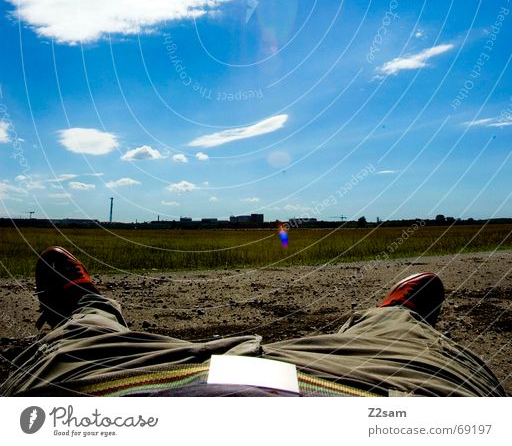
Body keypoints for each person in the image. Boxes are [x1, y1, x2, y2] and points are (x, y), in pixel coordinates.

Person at [1, 246, 505, 397]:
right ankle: (397, 322)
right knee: (413, 357)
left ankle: (86, 310)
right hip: (349, 394)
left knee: (84, 340)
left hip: (117, 392)